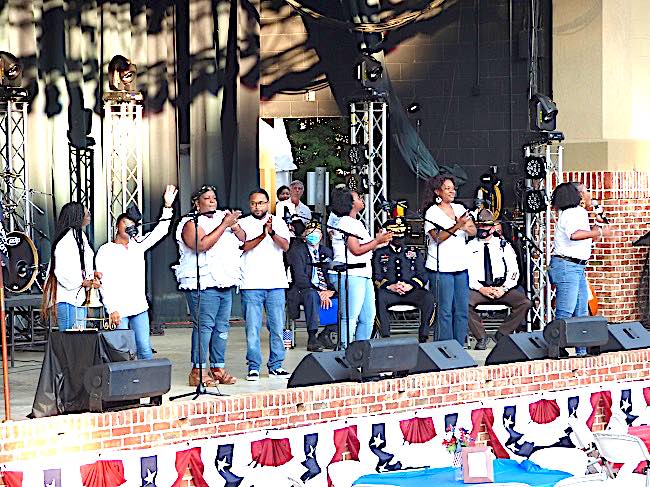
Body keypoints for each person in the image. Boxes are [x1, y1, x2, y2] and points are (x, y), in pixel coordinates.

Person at [174, 185, 246, 387]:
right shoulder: (189, 223)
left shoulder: (222, 218)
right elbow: (201, 245)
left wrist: (235, 225)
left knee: (222, 327)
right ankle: (197, 370)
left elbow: (242, 239)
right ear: (197, 203)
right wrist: (224, 224)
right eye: (207, 198)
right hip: (203, 283)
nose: (213, 201)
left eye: (214, 197)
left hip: (224, 281)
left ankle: (217, 367)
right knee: (204, 327)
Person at [96, 185, 178, 360]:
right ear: (117, 226)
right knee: (122, 351)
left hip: (139, 306)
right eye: (125, 223)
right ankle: (124, 386)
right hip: (119, 308)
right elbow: (103, 283)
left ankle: (148, 385)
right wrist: (111, 309)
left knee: (145, 349)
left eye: (132, 224)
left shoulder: (138, 245)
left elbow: (161, 231)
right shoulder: (106, 250)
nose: (129, 227)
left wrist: (167, 207)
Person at [548, 182, 612, 357]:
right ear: (578, 194)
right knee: (566, 309)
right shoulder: (573, 212)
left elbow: (583, 232)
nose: (589, 193)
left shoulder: (576, 212)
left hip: (576, 266)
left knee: (581, 309)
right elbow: (575, 235)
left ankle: (581, 351)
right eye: (586, 190)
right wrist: (598, 232)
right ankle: (557, 348)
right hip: (567, 265)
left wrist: (597, 222)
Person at [329, 187, 392, 346]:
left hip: (363, 273)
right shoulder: (346, 222)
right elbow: (355, 250)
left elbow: (366, 247)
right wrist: (377, 242)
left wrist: (381, 241)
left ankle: (360, 353)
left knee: (368, 317)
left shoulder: (356, 222)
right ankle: (344, 353)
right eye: (357, 197)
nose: (361, 199)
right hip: (350, 273)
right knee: (350, 317)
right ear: (350, 203)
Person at [239, 188, 291, 381]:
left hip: (276, 282)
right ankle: (253, 366)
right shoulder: (242, 223)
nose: (257, 206)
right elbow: (242, 247)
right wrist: (262, 235)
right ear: (249, 204)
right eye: (253, 203)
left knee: (277, 327)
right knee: (252, 329)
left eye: (261, 203)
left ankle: (276, 366)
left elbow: (285, 246)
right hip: (251, 283)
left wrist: (272, 233)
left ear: (268, 204)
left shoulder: (279, 222)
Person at [466, 209, 532, 350]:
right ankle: (481, 337)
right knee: (463, 303)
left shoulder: (503, 245)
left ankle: (502, 334)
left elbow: (514, 270)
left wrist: (504, 288)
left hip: (501, 287)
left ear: (493, 227)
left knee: (525, 303)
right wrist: (481, 288)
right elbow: (466, 272)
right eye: (480, 225)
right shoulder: (469, 246)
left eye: (486, 226)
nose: (482, 229)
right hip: (479, 288)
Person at [423, 174, 476, 346]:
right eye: (447, 188)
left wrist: (466, 226)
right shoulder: (432, 212)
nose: (452, 191)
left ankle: (459, 346)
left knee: (461, 310)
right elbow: (438, 237)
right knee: (444, 310)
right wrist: (458, 225)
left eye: (453, 188)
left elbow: (473, 231)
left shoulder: (460, 208)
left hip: (460, 265)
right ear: (438, 191)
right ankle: (445, 347)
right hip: (441, 267)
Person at [372, 217, 435, 343]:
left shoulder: (414, 252)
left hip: (411, 292)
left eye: (401, 235)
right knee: (379, 297)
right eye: (396, 236)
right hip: (390, 292)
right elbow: (376, 276)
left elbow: (423, 275)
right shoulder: (379, 253)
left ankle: (424, 336)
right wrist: (391, 286)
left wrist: (411, 285)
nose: (399, 239)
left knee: (428, 298)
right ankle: (385, 337)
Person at [41, 202, 100, 331]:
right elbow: (61, 272)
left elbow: (84, 264)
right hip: (67, 297)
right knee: (70, 340)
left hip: (77, 297)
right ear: (77, 216)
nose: (89, 214)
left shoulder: (80, 236)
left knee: (77, 340)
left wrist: (92, 275)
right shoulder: (66, 240)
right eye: (86, 212)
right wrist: (83, 282)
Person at [287, 221, 337, 352]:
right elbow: (300, 277)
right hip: (303, 289)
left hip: (326, 289)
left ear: (321, 236)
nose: (313, 235)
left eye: (316, 232)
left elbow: (333, 275)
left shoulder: (327, 252)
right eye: (309, 232)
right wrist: (320, 292)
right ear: (304, 235)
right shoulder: (297, 251)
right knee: (311, 295)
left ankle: (326, 333)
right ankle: (312, 336)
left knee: (347, 295)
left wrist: (330, 291)